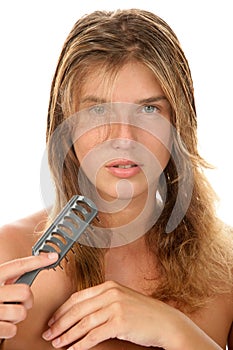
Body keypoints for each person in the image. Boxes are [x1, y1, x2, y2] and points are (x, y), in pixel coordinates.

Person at [0, 8, 233, 350]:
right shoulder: (7, 256)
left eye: (149, 109)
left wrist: (174, 330)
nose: (123, 137)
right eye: (97, 111)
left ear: (178, 123)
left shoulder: (226, 269)